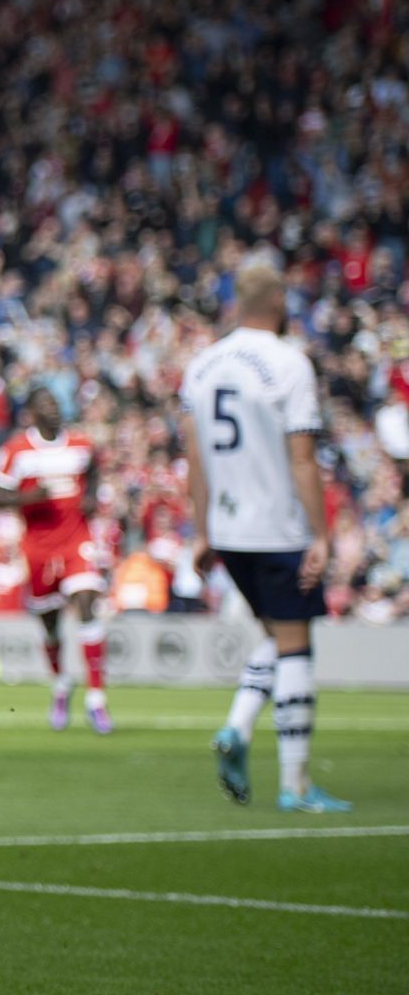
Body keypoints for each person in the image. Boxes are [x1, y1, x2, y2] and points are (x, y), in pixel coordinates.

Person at [181, 263, 351, 812]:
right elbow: (303, 457)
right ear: (278, 302)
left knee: (274, 636)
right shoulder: (288, 362)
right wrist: (320, 534)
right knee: (296, 645)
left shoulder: (201, 366)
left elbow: (195, 459)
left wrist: (203, 529)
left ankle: (237, 728)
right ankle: (295, 784)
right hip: (277, 526)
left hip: (229, 530)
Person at [0, 387, 114, 733]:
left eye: (57, 404)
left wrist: (90, 497)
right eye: (46, 405)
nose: (55, 410)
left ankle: (96, 699)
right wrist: (29, 496)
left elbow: (93, 472)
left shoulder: (80, 443)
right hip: (38, 547)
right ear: (31, 413)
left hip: (77, 540)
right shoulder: (16, 450)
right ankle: (61, 685)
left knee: (87, 601)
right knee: (49, 623)